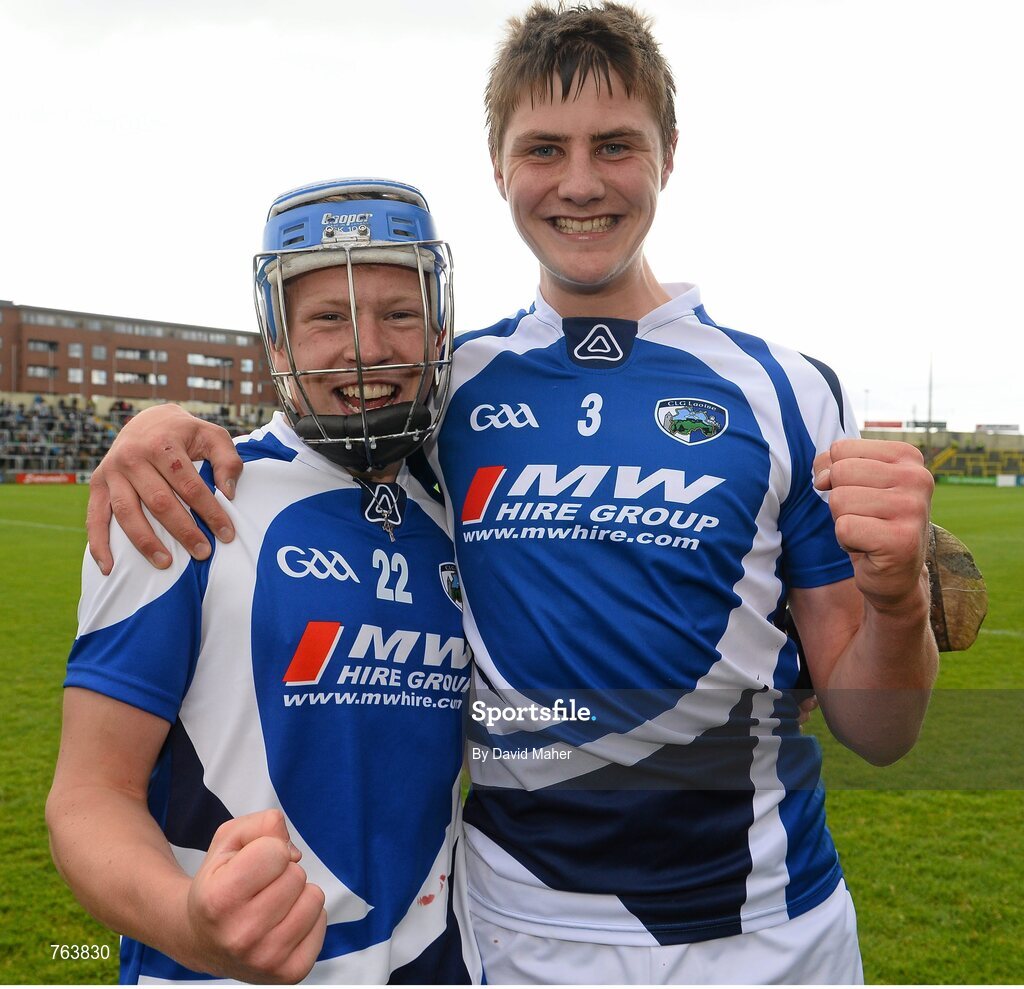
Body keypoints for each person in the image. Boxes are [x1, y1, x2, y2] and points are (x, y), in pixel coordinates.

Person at [83, 3, 938, 984]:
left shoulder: (786, 388)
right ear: (498, 166)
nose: (579, 182)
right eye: (544, 149)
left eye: (615, 145)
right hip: (520, 936)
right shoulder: (453, 386)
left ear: (669, 154)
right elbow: (326, 410)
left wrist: (897, 598)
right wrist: (154, 421)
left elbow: (881, 728)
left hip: (771, 930)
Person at [47, 178, 481, 985]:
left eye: (399, 312)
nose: (367, 346)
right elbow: (86, 799)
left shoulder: (468, 517)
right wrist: (189, 923)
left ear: (440, 327)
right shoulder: (182, 502)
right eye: (326, 317)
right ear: (276, 345)